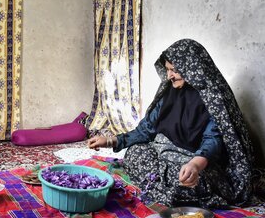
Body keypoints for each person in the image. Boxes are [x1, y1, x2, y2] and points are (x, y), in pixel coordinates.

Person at [87, 39, 254, 208]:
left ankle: (174, 190)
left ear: (192, 69)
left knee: (194, 179)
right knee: (136, 152)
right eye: (167, 70)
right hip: (163, 154)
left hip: (194, 159)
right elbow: (147, 130)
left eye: (174, 70)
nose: (169, 76)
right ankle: (173, 191)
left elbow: (214, 139)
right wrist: (111, 141)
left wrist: (195, 164)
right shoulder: (169, 92)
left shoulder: (213, 99)